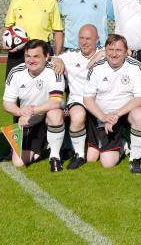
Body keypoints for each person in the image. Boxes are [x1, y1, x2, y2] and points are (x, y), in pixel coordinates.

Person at [83, 34, 141, 173]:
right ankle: (124, 144)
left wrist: (116, 114)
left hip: (124, 113)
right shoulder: (96, 67)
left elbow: (139, 99)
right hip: (102, 115)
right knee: (92, 158)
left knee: (140, 114)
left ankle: (135, 159)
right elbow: (87, 99)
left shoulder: (136, 66)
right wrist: (104, 117)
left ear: (126, 52)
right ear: (105, 51)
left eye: (118, 50)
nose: (114, 54)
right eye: (110, 49)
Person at [2, 40, 66, 171]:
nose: (31, 60)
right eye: (28, 56)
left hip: (48, 114)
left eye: (36, 56)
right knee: (18, 162)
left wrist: (31, 111)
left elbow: (56, 101)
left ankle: (55, 156)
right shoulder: (16, 72)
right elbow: (7, 103)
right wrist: (20, 112)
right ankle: (45, 143)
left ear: (46, 56)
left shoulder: (54, 71)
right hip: (29, 120)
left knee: (55, 113)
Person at [51, 24, 104, 170]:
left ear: (97, 39)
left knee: (93, 158)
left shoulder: (105, 54)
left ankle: (121, 142)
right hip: (78, 100)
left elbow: (126, 52)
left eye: (88, 38)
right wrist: (58, 60)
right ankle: (79, 154)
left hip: (99, 104)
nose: (84, 42)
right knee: (78, 114)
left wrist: (103, 53)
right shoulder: (70, 56)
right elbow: (49, 59)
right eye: (81, 38)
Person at [4, 0, 64, 78]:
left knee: (43, 90)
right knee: (13, 89)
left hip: (42, 51)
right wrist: (6, 42)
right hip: (18, 52)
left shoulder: (51, 2)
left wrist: (57, 55)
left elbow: (58, 31)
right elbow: (8, 27)